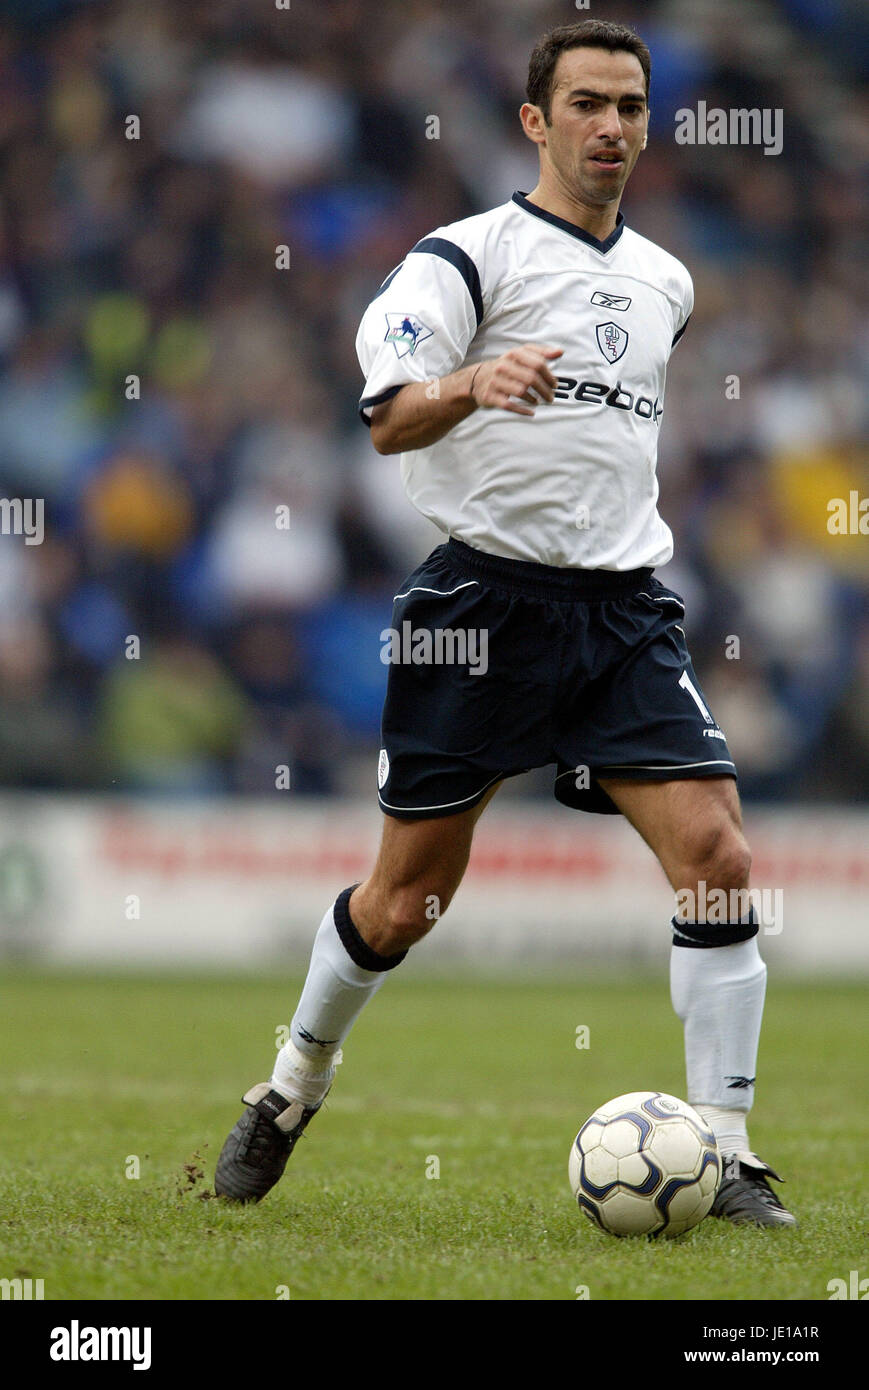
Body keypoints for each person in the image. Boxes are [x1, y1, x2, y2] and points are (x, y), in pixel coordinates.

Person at [215, 19, 795, 1227]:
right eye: (586, 104)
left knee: (717, 855)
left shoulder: (666, 282)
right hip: (477, 606)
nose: (611, 127)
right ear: (534, 121)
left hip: (623, 610)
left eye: (630, 106)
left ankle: (729, 1153)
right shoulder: (460, 260)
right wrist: (469, 382)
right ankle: (291, 1083)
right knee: (402, 904)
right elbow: (386, 417)